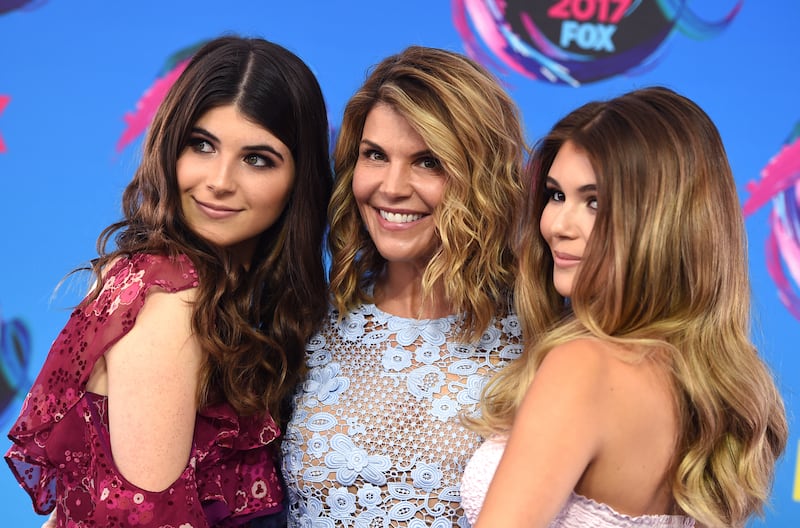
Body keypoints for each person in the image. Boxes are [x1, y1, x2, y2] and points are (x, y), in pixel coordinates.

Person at [5, 35, 332, 527]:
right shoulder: (171, 300)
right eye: (201, 145)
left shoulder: (222, 291)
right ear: (170, 145)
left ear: (299, 181)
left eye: (257, 158)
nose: (220, 180)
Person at [460, 86, 788, 528]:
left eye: (593, 202)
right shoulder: (712, 387)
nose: (557, 225)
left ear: (660, 223)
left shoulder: (583, 367)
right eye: (556, 195)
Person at [279, 46, 526, 526]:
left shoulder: (539, 341)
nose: (391, 187)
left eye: (428, 161)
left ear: (481, 177)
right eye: (375, 155)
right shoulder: (307, 323)